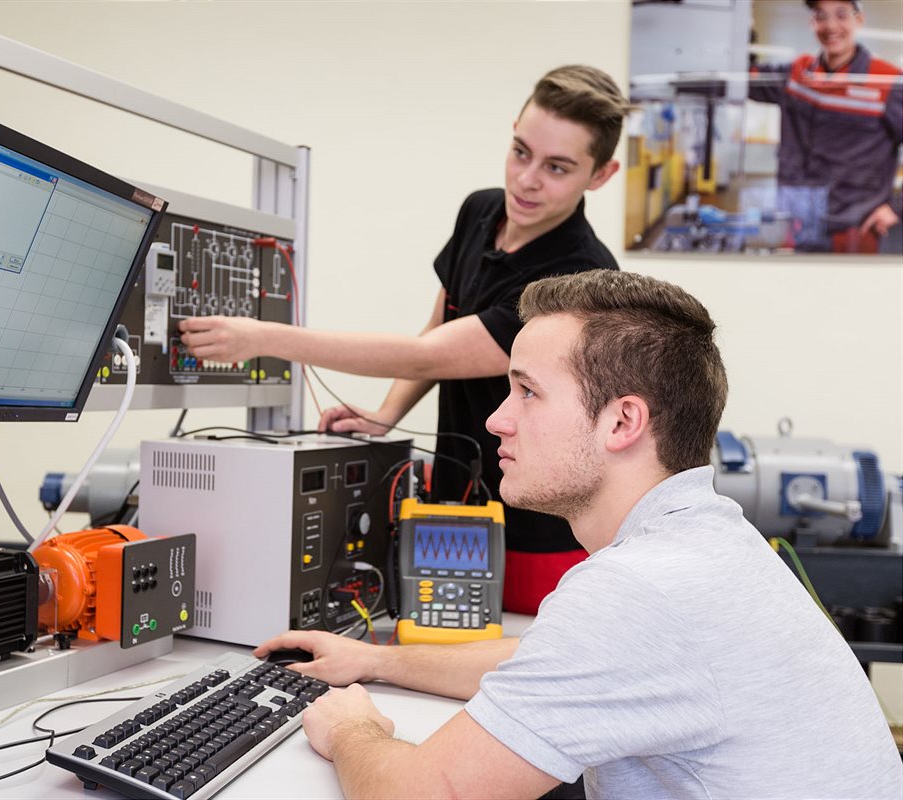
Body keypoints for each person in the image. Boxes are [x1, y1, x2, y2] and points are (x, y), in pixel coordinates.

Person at [253, 270, 903, 799]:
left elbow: (422, 794)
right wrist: (376, 660)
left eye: (526, 392)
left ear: (622, 422)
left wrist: (353, 730)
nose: (498, 422)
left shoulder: (640, 589)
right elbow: (547, 664)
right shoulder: (708, 548)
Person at [180, 65, 628, 615]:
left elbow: (429, 355)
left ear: (601, 174)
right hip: (457, 500)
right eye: (520, 151)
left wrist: (265, 338)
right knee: (433, 642)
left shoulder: (575, 276)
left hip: (535, 531)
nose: (527, 180)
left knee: (506, 666)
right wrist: (385, 415)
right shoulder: (482, 210)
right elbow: (439, 327)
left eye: (557, 167)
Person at [748, 0, 903, 253]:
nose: (830, 25)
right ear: (812, 22)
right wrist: (745, 31)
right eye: (821, 16)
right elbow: (742, 78)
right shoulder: (798, 74)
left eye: (841, 15)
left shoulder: (886, 82)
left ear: (859, 19)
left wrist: (897, 207)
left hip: (853, 233)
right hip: (796, 224)